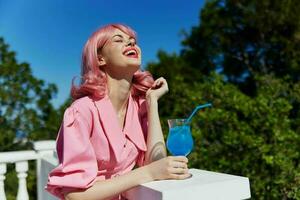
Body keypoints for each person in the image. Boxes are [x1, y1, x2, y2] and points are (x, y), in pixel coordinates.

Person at [45, 23, 191, 200]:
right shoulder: (81, 111)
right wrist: (146, 174)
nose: (131, 44)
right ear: (100, 59)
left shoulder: (139, 107)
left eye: (132, 41)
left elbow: (156, 163)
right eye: (119, 40)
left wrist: (152, 103)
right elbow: (74, 195)